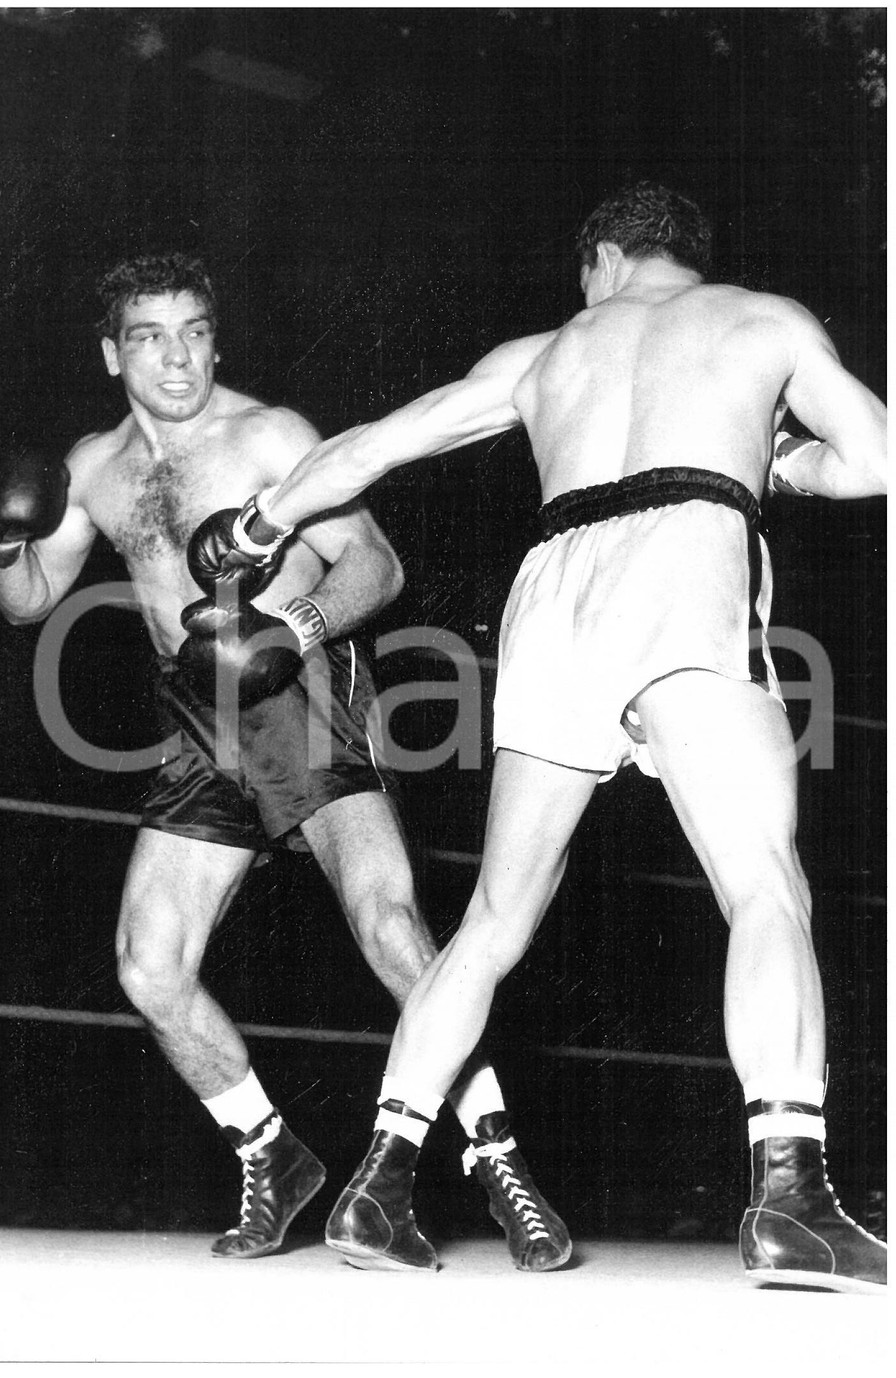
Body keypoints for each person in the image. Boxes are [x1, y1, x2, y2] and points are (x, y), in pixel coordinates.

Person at [229, 183, 887, 1291]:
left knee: (493, 920)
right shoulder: (764, 320)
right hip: (686, 557)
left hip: (553, 590)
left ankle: (379, 1185)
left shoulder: (542, 354)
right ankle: (790, 1200)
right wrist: (780, 463)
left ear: (604, 259)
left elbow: (377, 445)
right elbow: (874, 458)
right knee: (763, 887)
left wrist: (259, 524)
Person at [0, 252, 572, 1273]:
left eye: (195, 332)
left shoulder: (269, 436)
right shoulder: (96, 466)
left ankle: (497, 1158)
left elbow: (377, 564)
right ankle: (270, 1154)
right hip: (196, 713)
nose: (178, 358)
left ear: (217, 340)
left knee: (388, 924)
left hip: (299, 690)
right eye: (151, 337)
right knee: (149, 965)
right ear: (113, 354)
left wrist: (298, 625)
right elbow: (31, 601)